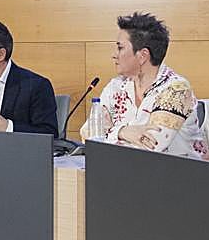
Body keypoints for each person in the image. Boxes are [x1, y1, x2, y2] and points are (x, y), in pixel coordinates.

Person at [79, 12, 202, 156]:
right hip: (125, 170)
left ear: (143, 55)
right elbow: (87, 133)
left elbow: (152, 145)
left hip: (178, 174)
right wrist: (123, 132)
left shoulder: (177, 89)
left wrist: (110, 133)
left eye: (120, 47)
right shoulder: (116, 87)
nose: (114, 54)